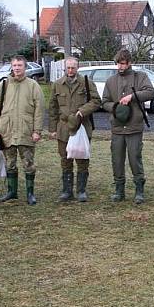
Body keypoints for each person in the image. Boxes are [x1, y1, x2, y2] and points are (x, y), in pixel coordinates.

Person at [0, 55, 45, 204]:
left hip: (26, 131)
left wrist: (37, 131)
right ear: (11, 67)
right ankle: (12, 192)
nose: (17, 68)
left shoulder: (33, 85)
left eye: (20, 65)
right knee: (10, 163)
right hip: (7, 131)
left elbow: (39, 110)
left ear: (25, 67)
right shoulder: (4, 84)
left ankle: (30, 194)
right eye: (14, 65)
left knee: (28, 164)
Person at [101, 48, 154, 204]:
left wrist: (133, 96)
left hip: (134, 127)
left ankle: (139, 190)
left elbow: (150, 92)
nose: (120, 67)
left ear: (129, 63)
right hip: (117, 127)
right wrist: (116, 107)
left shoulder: (140, 77)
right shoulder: (111, 81)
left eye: (123, 64)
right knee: (117, 160)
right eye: (118, 64)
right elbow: (104, 102)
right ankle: (119, 190)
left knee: (134, 158)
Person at [48, 56, 101, 202]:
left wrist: (83, 111)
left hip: (82, 127)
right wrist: (52, 128)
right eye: (68, 67)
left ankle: (81, 191)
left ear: (77, 68)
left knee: (82, 158)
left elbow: (96, 101)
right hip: (64, 128)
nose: (70, 70)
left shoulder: (86, 83)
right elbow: (52, 107)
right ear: (65, 68)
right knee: (65, 159)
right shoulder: (57, 84)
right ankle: (67, 191)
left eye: (73, 67)